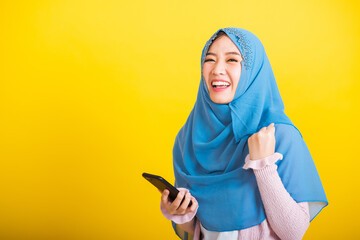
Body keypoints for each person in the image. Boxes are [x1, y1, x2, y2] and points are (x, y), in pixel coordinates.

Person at [160, 27, 328, 240]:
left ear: (253, 71)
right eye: (209, 60)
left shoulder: (279, 135)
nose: (217, 70)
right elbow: (196, 231)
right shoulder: (188, 139)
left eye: (232, 60)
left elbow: (293, 233)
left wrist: (264, 165)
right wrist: (180, 214)